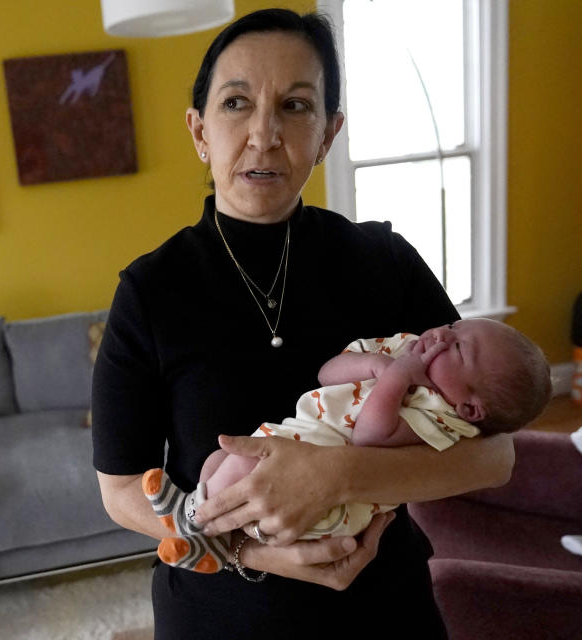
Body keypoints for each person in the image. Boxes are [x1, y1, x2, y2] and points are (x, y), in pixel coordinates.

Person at [91, 9, 518, 639]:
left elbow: (495, 455)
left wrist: (340, 476)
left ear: (328, 133)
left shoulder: (384, 261)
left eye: (295, 106)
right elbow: (122, 488)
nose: (264, 135)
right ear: (199, 130)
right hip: (220, 614)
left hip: (383, 606)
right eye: (236, 103)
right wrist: (248, 549)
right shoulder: (150, 291)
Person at [143, 319, 551, 573]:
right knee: (220, 460)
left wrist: (397, 379)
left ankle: (191, 522)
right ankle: (206, 536)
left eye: (460, 348)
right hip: (296, 441)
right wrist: (380, 365)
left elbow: (370, 438)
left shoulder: (442, 419)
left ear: (471, 408)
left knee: (234, 469)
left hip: (328, 507)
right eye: (455, 327)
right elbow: (327, 373)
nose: (443, 335)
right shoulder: (404, 349)